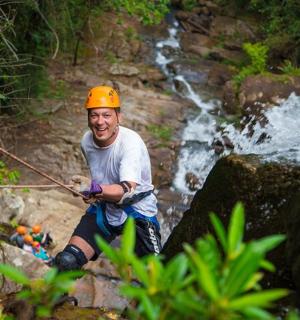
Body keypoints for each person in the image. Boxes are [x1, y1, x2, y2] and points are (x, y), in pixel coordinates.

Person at [54, 85, 162, 272]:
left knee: (157, 276)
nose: (99, 122)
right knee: (66, 261)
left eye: (106, 115)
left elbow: (126, 189)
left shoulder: (130, 144)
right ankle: (58, 300)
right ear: (88, 118)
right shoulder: (86, 141)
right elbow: (102, 177)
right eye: (94, 115)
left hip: (137, 213)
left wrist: (95, 188)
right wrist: (91, 192)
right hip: (105, 209)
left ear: (118, 117)